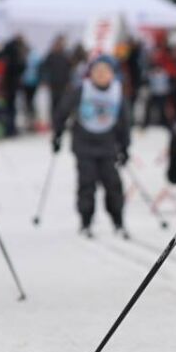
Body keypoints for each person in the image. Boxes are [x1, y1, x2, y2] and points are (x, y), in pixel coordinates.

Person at [52, 55, 131, 238]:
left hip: (108, 146)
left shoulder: (117, 93)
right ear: (91, 73)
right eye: (98, 71)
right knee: (86, 184)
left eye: (106, 71)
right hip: (84, 144)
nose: (101, 75)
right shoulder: (81, 91)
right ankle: (86, 221)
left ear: (113, 74)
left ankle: (118, 221)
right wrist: (57, 135)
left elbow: (124, 123)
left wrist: (125, 147)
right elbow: (62, 111)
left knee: (113, 185)